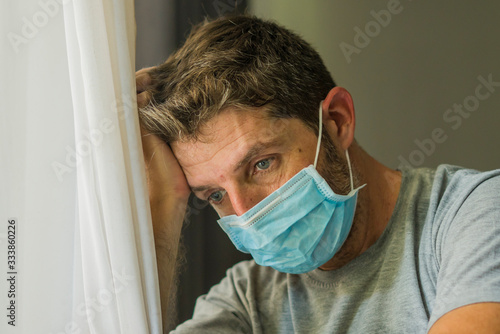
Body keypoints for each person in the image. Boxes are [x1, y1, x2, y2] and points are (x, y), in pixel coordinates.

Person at [136, 15, 500, 333]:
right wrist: (163, 206)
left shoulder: (472, 217)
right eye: (215, 195)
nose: (246, 215)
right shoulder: (247, 300)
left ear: (338, 121)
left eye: (261, 164)